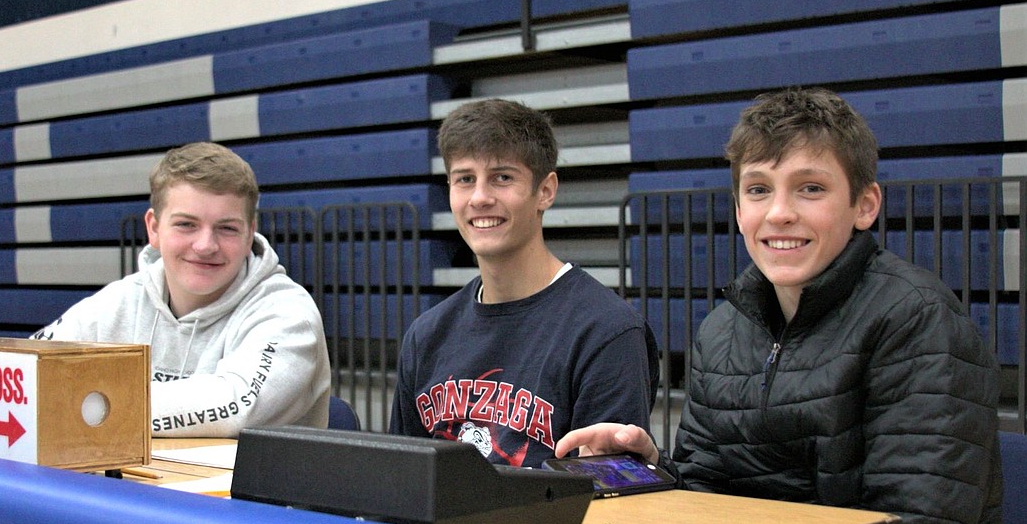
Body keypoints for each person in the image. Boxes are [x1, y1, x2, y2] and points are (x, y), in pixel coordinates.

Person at [556, 87, 1005, 524]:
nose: (780, 213)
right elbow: (714, 505)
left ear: (865, 205)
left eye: (810, 189)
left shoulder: (919, 324)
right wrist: (654, 472)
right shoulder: (723, 332)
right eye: (759, 189)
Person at [389, 98, 657, 468]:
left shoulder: (607, 331)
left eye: (502, 177)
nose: (480, 197)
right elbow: (404, 480)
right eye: (465, 179)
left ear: (545, 191)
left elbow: (613, 497)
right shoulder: (425, 336)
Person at [33, 141, 330, 436]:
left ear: (250, 231)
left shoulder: (288, 314)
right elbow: (28, 374)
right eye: (186, 224)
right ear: (153, 228)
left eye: (227, 228)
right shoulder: (119, 300)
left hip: (246, 485)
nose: (205, 246)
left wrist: (86, 404)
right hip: (130, 484)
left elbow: (235, 407)